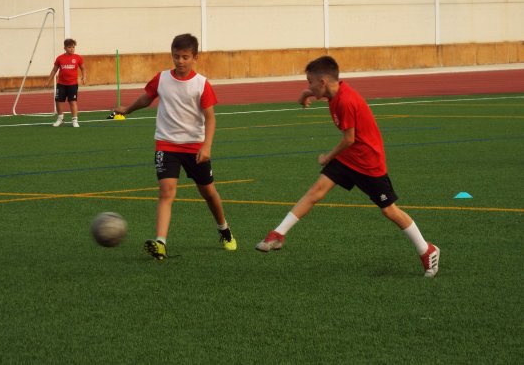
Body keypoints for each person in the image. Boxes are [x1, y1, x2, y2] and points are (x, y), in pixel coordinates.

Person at [255, 55, 440, 278]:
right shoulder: (332, 91)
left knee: (389, 210)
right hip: (348, 158)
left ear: (322, 81)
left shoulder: (346, 101)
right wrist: (306, 93)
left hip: (368, 162)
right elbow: (322, 97)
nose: (308, 85)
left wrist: (327, 157)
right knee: (316, 191)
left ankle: (426, 250)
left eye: (309, 82)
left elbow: (349, 139)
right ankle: (278, 234)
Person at [114, 33, 236, 260]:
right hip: (166, 144)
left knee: (208, 193)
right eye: (176, 56)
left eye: (185, 57)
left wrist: (206, 146)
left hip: (194, 147)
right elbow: (146, 98)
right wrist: (128, 109)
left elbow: (210, 118)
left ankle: (224, 229)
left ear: (195, 57)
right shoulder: (161, 79)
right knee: (166, 191)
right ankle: (160, 242)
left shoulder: (201, 84)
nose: (180, 61)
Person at [45, 38, 86, 128]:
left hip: (73, 84)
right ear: (65, 48)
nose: (72, 49)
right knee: (59, 101)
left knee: (73, 102)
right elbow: (54, 70)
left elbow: (83, 68)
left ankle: (75, 120)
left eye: (73, 47)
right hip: (61, 84)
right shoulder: (60, 58)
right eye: (69, 47)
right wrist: (48, 80)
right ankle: (60, 118)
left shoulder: (78, 58)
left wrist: (84, 77)